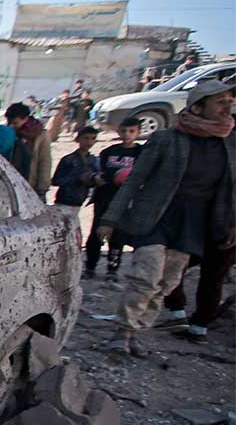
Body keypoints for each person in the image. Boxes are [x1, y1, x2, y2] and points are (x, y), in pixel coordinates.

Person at [94, 78, 236, 356]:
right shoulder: (167, 139)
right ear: (197, 108)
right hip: (157, 217)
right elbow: (135, 180)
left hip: (194, 224)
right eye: (220, 102)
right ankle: (122, 332)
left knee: (166, 284)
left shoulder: (229, 144)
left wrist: (233, 223)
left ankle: (136, 331)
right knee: (145, 278)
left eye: (230, 103)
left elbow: (232, 188)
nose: (227, 108)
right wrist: (110, 219)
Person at [86, 117, 144, 278]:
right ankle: (90, 266)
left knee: (118, 235)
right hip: (104, 197)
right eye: (124, 131)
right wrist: (96, 178)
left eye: (132, 131)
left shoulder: (141, 153)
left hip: (126, 200)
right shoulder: (108, 152)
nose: (127, 134)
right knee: (96, 233)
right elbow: (97, 171)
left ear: (138, 132)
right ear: (118, 131)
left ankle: (112, 269)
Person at [4, 101, 55, 198]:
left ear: (25, 119)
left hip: (30, 182)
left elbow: (44, 161)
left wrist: (42, 188)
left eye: (15, 123)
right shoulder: (8, 133)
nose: (11, 126)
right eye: (9, 122)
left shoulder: (41, 135)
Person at [51, 126, 101, 208]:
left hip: (80, 201)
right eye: (86, 138)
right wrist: (77, 177)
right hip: (64, 201)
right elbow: (56, 181)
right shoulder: (68, 159)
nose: (89, 142)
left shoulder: (94, 160)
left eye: (93, 139)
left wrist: (93, 179)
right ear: (77, 139)